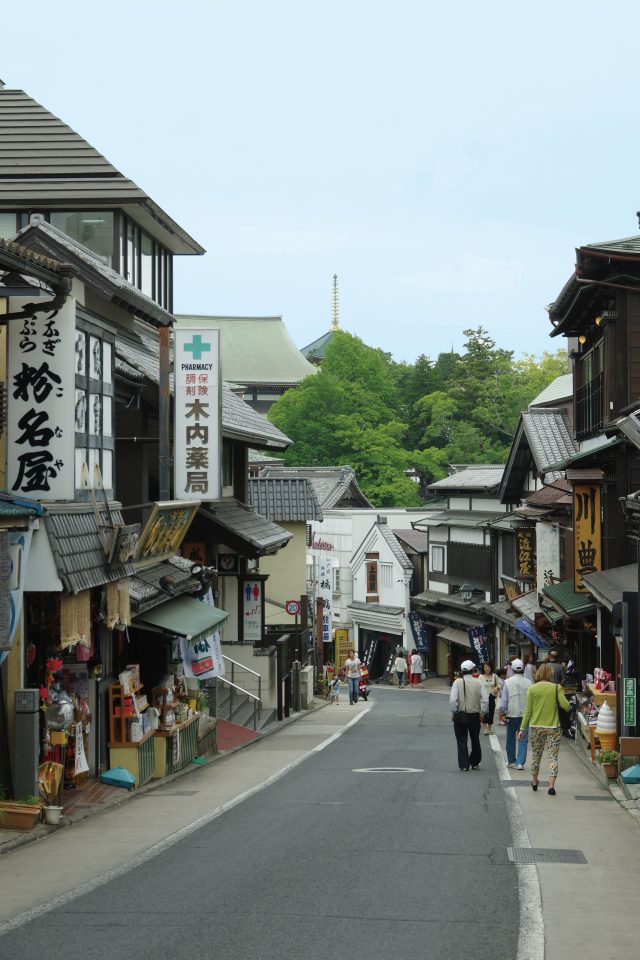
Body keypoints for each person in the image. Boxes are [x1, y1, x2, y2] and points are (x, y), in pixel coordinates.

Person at [518, 662, 571, 795]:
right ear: (550, 674)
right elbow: (566, 706)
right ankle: (551, 786)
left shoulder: (532, 689)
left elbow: (528, 711)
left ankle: (535, 781)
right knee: (552, 757)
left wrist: (522, 729)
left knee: (536, 756)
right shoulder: (556, 688)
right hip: (553, 727)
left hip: (536, 727)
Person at [449, 659, 489, 771]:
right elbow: (485, 700)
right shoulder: (479, 682)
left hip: (460, 715)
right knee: (475, 738)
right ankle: (475, 762)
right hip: (475, 715)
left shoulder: (457, 683)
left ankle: (464, 765)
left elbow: (453, 701)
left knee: (461, 739)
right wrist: (483, 713)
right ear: (473, 670)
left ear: (462, 671)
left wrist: (454, 712)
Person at [500, 658, 532, 769]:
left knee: (510, 738)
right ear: (523, 669)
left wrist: (502, 711)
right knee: (523, 738)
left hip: (511, 713)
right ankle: (520, 763)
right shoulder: (529, 682)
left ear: (512, 670)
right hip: (525, 714)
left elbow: (504, 700)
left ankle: (512, 761)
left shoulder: (507, 682)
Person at [478, 661, 500, 735]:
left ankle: (489, 728)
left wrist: (496, 688)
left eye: (488, 667)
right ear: (483, 668)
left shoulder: (494, 676)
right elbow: (477, 687)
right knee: (484, 712)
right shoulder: (480, 677)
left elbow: (500, 684)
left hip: (491, 697)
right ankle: (485, 729)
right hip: (483, 698)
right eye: (485, 667)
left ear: (491, 667)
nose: (487, 669)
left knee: (491, 713)